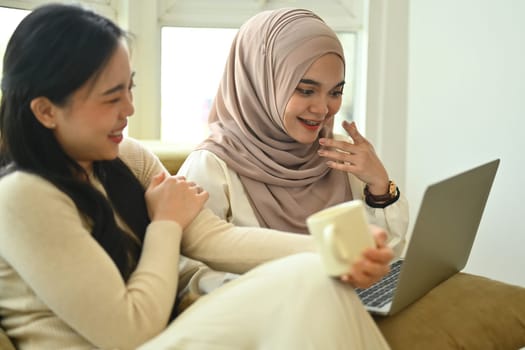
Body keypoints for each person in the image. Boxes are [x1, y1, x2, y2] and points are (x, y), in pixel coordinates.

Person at [0, 4, 394, 350]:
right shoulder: (23, 198)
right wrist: (166, 224)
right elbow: (129, 331)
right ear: (46, 111)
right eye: (110, 97)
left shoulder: (125, 157)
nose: (130, 109)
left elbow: (211, 237)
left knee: (316, 277)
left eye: (130, 89)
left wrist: (340, 252)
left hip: (164, 333)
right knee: (307, 285)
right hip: (135, 340)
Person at [178, 7, 409, 257]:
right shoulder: (211, 167)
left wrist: (380, 186)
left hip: (352, 296)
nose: (322, 109)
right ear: (261, 84)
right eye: (306, 90)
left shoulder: (340, 155)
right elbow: (192, 271)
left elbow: (387, 257)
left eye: (335, 92)